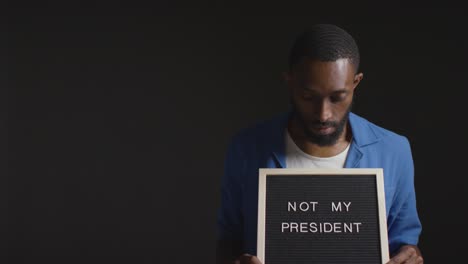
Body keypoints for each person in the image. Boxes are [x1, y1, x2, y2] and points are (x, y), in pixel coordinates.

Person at [216, 24, 423, 264]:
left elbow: (405, 242)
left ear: (355, 83)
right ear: (290, 82)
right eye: (308, 96)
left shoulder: (394, 151)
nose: (323, 114)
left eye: (337, 97)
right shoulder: (246, 148)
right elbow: (228, 240)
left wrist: (411, 256)